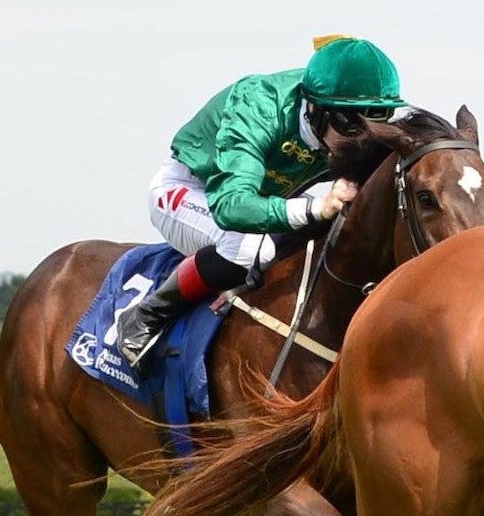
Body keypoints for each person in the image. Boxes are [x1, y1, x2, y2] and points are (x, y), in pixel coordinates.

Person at [114, 35, 406, 366]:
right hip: (192, 192)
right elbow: (232, 206)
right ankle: (146, 317)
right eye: (350, 122)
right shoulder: (258, 105)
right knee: (252, 250)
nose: (363, 137)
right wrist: (316, 207)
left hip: (265, 203)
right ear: (315, 109)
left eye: (377, 118)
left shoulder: (339, 118)